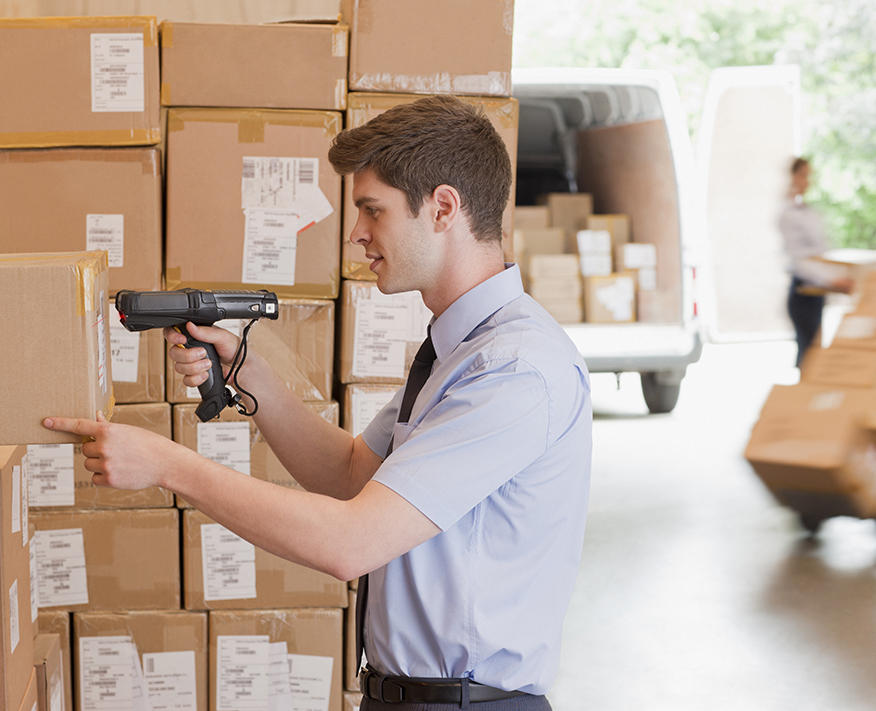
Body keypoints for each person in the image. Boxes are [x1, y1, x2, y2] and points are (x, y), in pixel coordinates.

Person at [45, 95, 593, 709]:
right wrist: (250, 373)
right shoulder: (455, 349)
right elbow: (352, 473)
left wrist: (169, 466)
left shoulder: (514, 369)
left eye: (372, 210)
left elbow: (350, 542)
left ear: (442, 208)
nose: (357, 233)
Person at [778, 157, 853, 367]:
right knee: (809, 355)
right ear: (794, 176)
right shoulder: (788, 214)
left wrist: (837, 277)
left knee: (814, 352)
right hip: (803, 293)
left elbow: (821, 252)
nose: (807, 181)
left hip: (817, 294)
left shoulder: (809, 211)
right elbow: (799, 260)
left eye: (810, 176)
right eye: (804, 175)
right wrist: (831, 280)